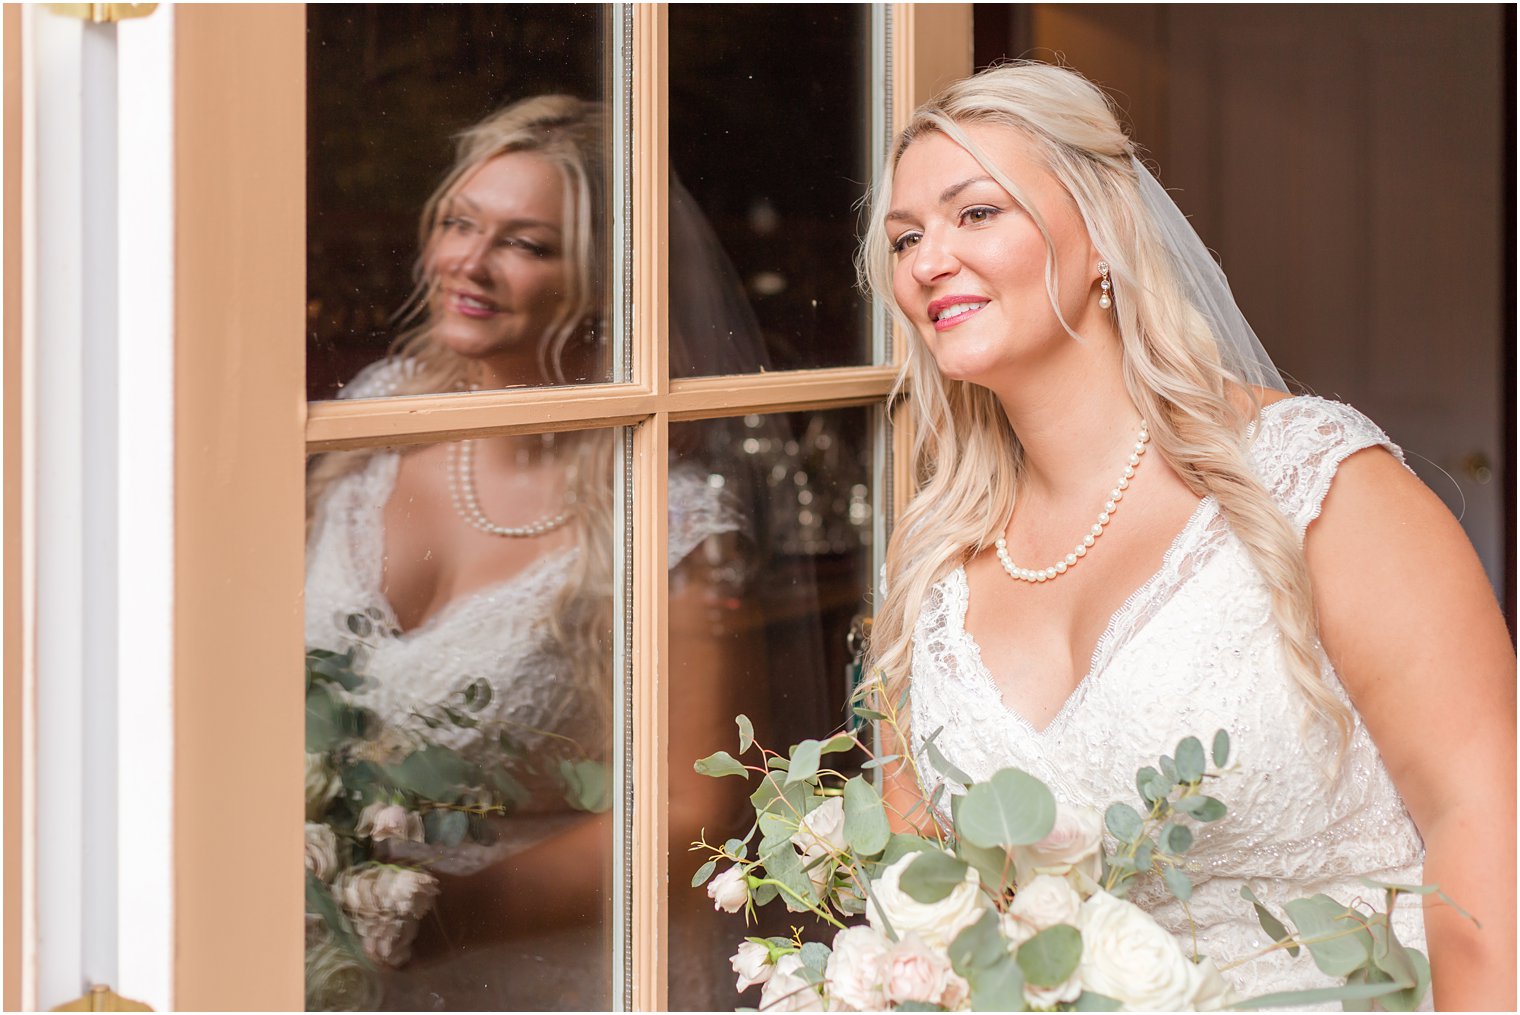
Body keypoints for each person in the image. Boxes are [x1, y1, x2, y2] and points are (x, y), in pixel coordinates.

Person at [862, 63, 1515, 1009]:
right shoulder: (932, 568)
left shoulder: (1313, 484)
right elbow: (922, 906)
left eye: (976, 214)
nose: (927, 262)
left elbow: (1484, 818)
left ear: (1102, 239)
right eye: (905, 238)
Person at [304, 95, 765, 1010]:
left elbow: (691, 814)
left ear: (601, 278)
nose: (466, 263)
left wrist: (441, 919)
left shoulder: (668, 524)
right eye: (458, 224)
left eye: (524, 242)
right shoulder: (374, 417)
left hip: (545, 970)